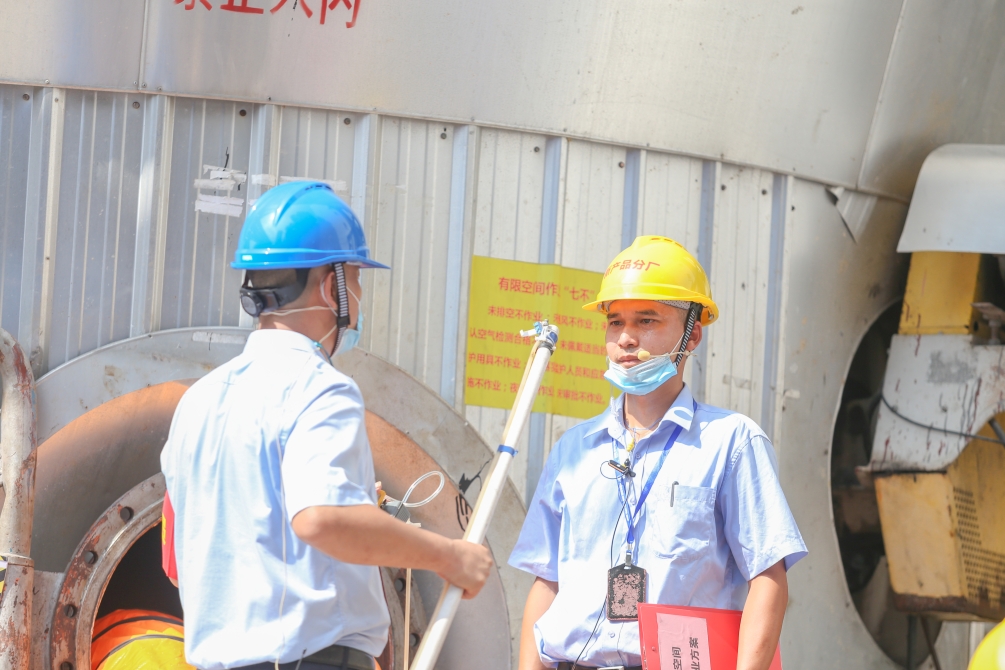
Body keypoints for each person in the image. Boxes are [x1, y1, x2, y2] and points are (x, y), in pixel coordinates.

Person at [160, 181, 493, 670]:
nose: (357, 297)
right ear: (327, 285)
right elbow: (320, 518)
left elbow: (177, 556)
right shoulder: (320, 388)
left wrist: (356, 512)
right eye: (354, 279)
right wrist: (450, 557)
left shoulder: (199, 401)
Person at [509, 236, 807, 670]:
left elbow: (767, 577)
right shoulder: (573, 450)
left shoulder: (731, 442)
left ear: (693, 334)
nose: (626, 338)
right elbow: (547, 582)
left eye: (646, 320)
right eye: (615, 322)